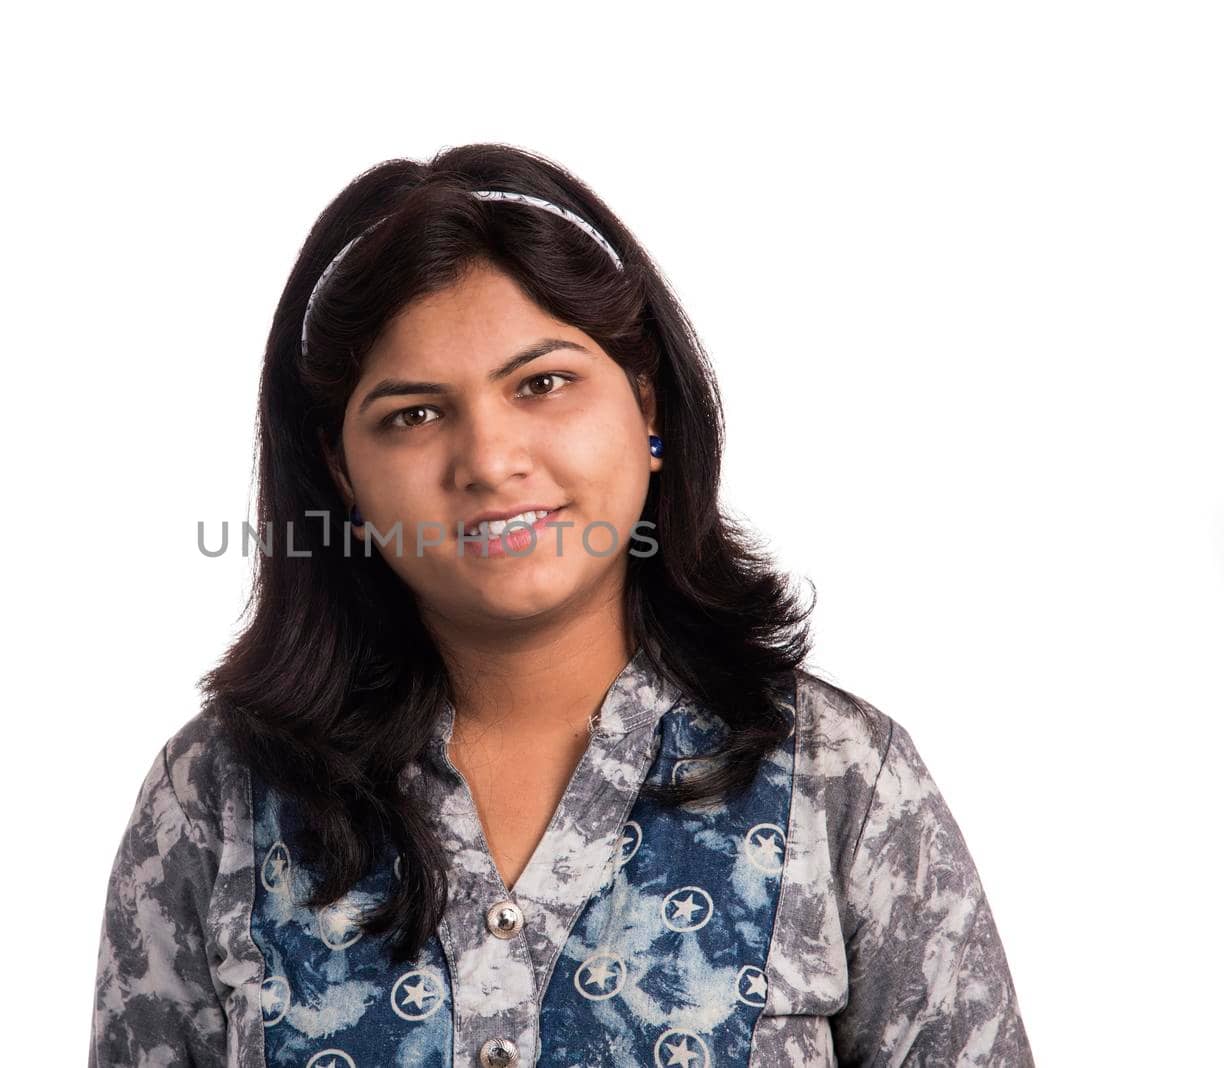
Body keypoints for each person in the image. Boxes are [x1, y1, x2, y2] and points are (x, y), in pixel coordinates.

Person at [88, 145, 1034, 1067]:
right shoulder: (215, 800)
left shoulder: (844, 785)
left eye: (543, 384)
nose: (490, 461)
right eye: (413, 414)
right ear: (341, 471)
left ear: (647, 403)